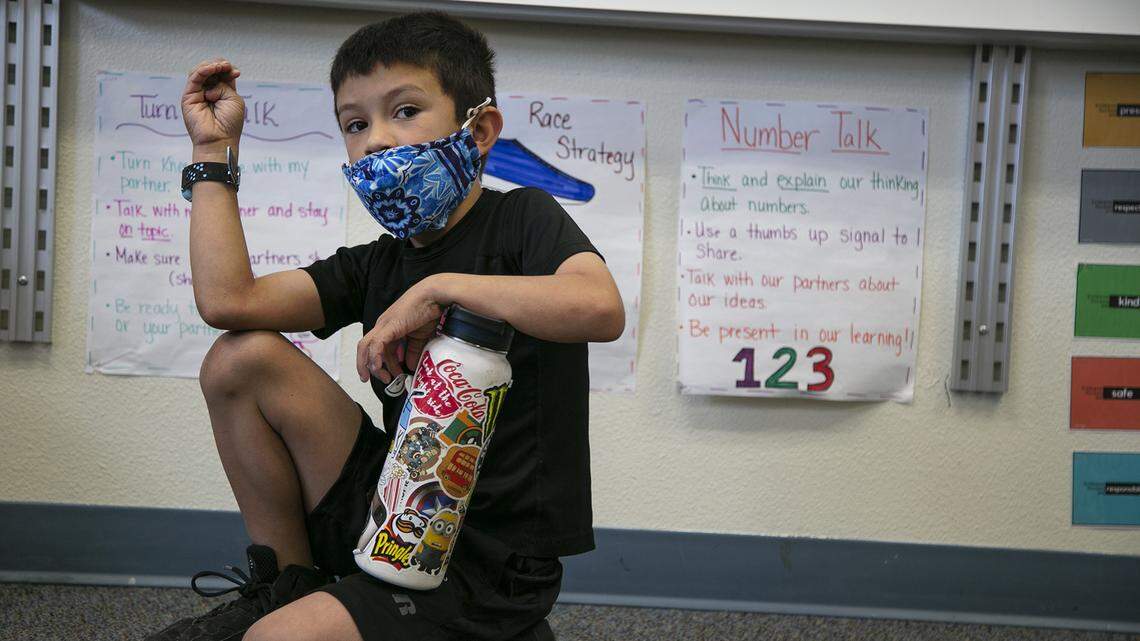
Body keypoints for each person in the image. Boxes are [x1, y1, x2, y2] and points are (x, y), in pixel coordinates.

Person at [144, 10, 623, 641]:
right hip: (394, 517)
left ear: (479, 130)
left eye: (405, 110)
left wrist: (440, 288)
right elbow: (228, 302)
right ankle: (285, 585)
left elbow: (599, 307)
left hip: (487, 564)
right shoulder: (377, 264)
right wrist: (212, 151)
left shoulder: (523, 220)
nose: (375, 140)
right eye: (355, 124)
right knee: (241, 358)